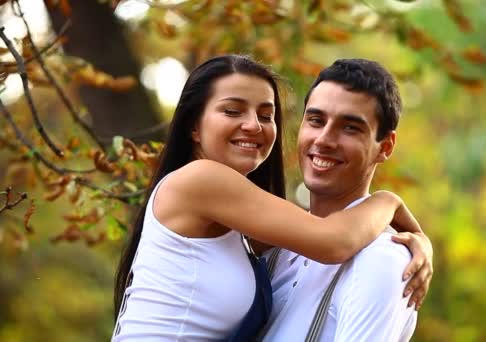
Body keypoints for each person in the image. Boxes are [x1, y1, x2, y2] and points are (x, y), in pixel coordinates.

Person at [112, 55, 430, 341]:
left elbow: (321, 230)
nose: (253, 125)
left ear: (385, 146)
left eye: (266, 115)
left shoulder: (248, 229)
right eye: (232, 110)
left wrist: (414, 241)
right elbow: (334, 241)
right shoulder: (201, 180)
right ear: (194, 126)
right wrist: (391, 203)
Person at [260, 59, 432, 341]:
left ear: (385, 146)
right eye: (316, 120)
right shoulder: (277, 249)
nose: (325, 139)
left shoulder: (382, 260)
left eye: (350, 128)